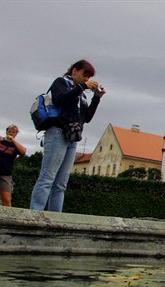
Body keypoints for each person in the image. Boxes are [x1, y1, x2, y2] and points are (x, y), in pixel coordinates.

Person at [30, 59, 105, 212]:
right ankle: (35, 214)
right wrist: (82, 87)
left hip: (72, 136)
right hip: (57, 132)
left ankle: (55, 216)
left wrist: (96, 98)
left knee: (61, 183)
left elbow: (87, 118)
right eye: (85, 75)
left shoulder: (81, 94)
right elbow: (61, 99)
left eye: (88, 77)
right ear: (74, 71)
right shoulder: (61, 83)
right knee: (47, 177)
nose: (86, 79)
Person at [0, 125, 27, 207]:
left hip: (5, 172)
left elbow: (23, 152)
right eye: (9, 131)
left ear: (16, 134)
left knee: (6, 199)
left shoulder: (15, 145)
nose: (11, 133)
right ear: (6, 131)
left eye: (13, 132)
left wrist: (13, 141)